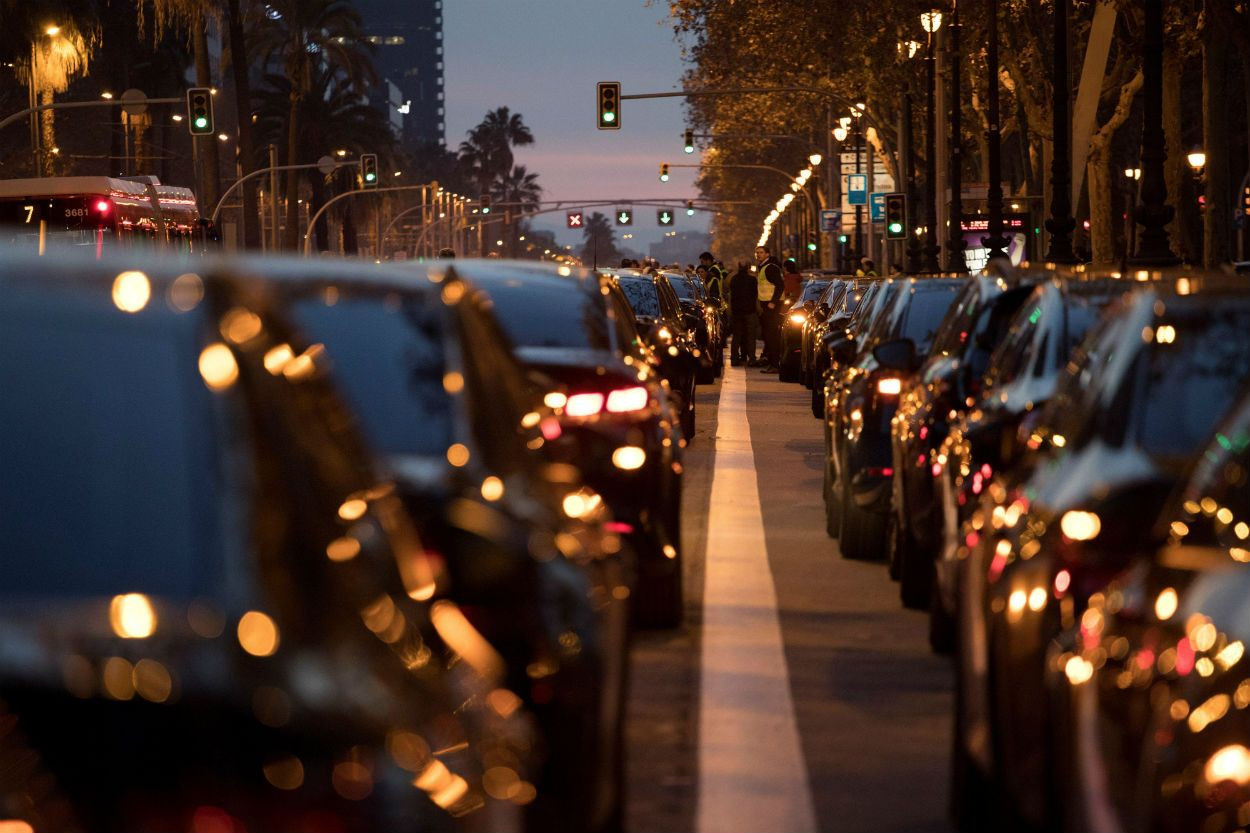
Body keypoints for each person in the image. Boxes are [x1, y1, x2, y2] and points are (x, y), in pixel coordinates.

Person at [754, 245, 784, 372]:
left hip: (771, 306)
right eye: (757, 253)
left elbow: (780, 285)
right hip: (766, 305)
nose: (758, 255)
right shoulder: (764, 267)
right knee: (768, 335)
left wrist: (773, 302)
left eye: (761, 252)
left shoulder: (770, 268)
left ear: (767, 254)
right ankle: (772, 363)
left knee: (771, 336)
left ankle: (774, 364)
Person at [728, 261, 760, 366]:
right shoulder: (752, 280)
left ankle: (734, 358)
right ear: (748, 268)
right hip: (749, 311)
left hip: (737, 311)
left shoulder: (734, 280)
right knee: (751, 336)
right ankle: (751, 358)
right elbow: (755, 295)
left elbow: (731, 294)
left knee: (736, 336)